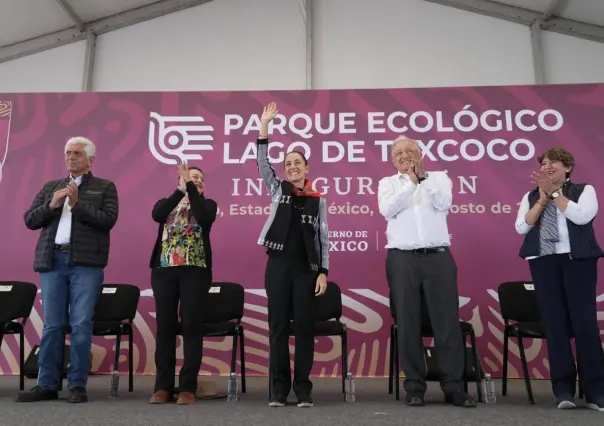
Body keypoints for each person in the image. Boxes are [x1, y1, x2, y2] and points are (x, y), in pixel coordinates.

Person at [18, 137, 119, 403]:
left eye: (76, 153)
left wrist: (77, 205)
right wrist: (50, 205)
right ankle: (47, 384)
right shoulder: (51, 186)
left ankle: (77, 385)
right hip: (52, 262)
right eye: (67, 153)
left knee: (81, 324)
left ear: (91, 160)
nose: (71, 157)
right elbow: (30, 219)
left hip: (86, 264)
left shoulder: (105, 187)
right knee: (52, 325)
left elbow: (108, 221)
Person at [378, 136, 476, 408]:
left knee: (447, 324)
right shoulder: (387, 184)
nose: (405, 156)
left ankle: (453, 387)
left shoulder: (439, 178)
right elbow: (388, 209)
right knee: (407, 323)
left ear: (420, 154)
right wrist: (410, 182)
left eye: (410, 151)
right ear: (392, 159)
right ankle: (414, 386)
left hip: (438, 258)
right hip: (402, 259)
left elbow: (443, 203)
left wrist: (422, 179)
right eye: (399, 152)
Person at [515, 147, 604, 411]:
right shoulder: (530, 196)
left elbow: (582, 216)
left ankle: (595, 390)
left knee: (585, 324)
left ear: (568, 168)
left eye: (554, 162)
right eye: (544, 163)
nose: (548, 166)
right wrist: (542, 199)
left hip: (577, 261)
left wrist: (555, 193)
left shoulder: (584, 190)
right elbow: (522, 226)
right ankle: (563, 389)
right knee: (554, 325)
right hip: (544, 261)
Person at [256, 102, 329, 408]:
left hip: (305, 270)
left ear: (307, 167)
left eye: (297, 162)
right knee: (278, 328)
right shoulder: (279, 189)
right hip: (278, 265)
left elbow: (323, 238)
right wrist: (264, 127)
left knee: (303, 329)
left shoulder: (317, 200)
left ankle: (302, 388)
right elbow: (263, 164)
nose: (292, 167)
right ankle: (278, 389)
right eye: (288, 163)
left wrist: (323, 272)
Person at [148, 163, 217, 405]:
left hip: (195, 271)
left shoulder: (208, 205)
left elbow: (204, 216)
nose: (194, 180)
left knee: (191, 325)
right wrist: (180, 190)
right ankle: (162, 387)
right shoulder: (166, 202)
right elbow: (157, 216)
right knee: (165, 326)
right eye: (190, 176)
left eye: (199, 178)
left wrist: (190, 188)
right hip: (164, 271)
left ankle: (188, 387)